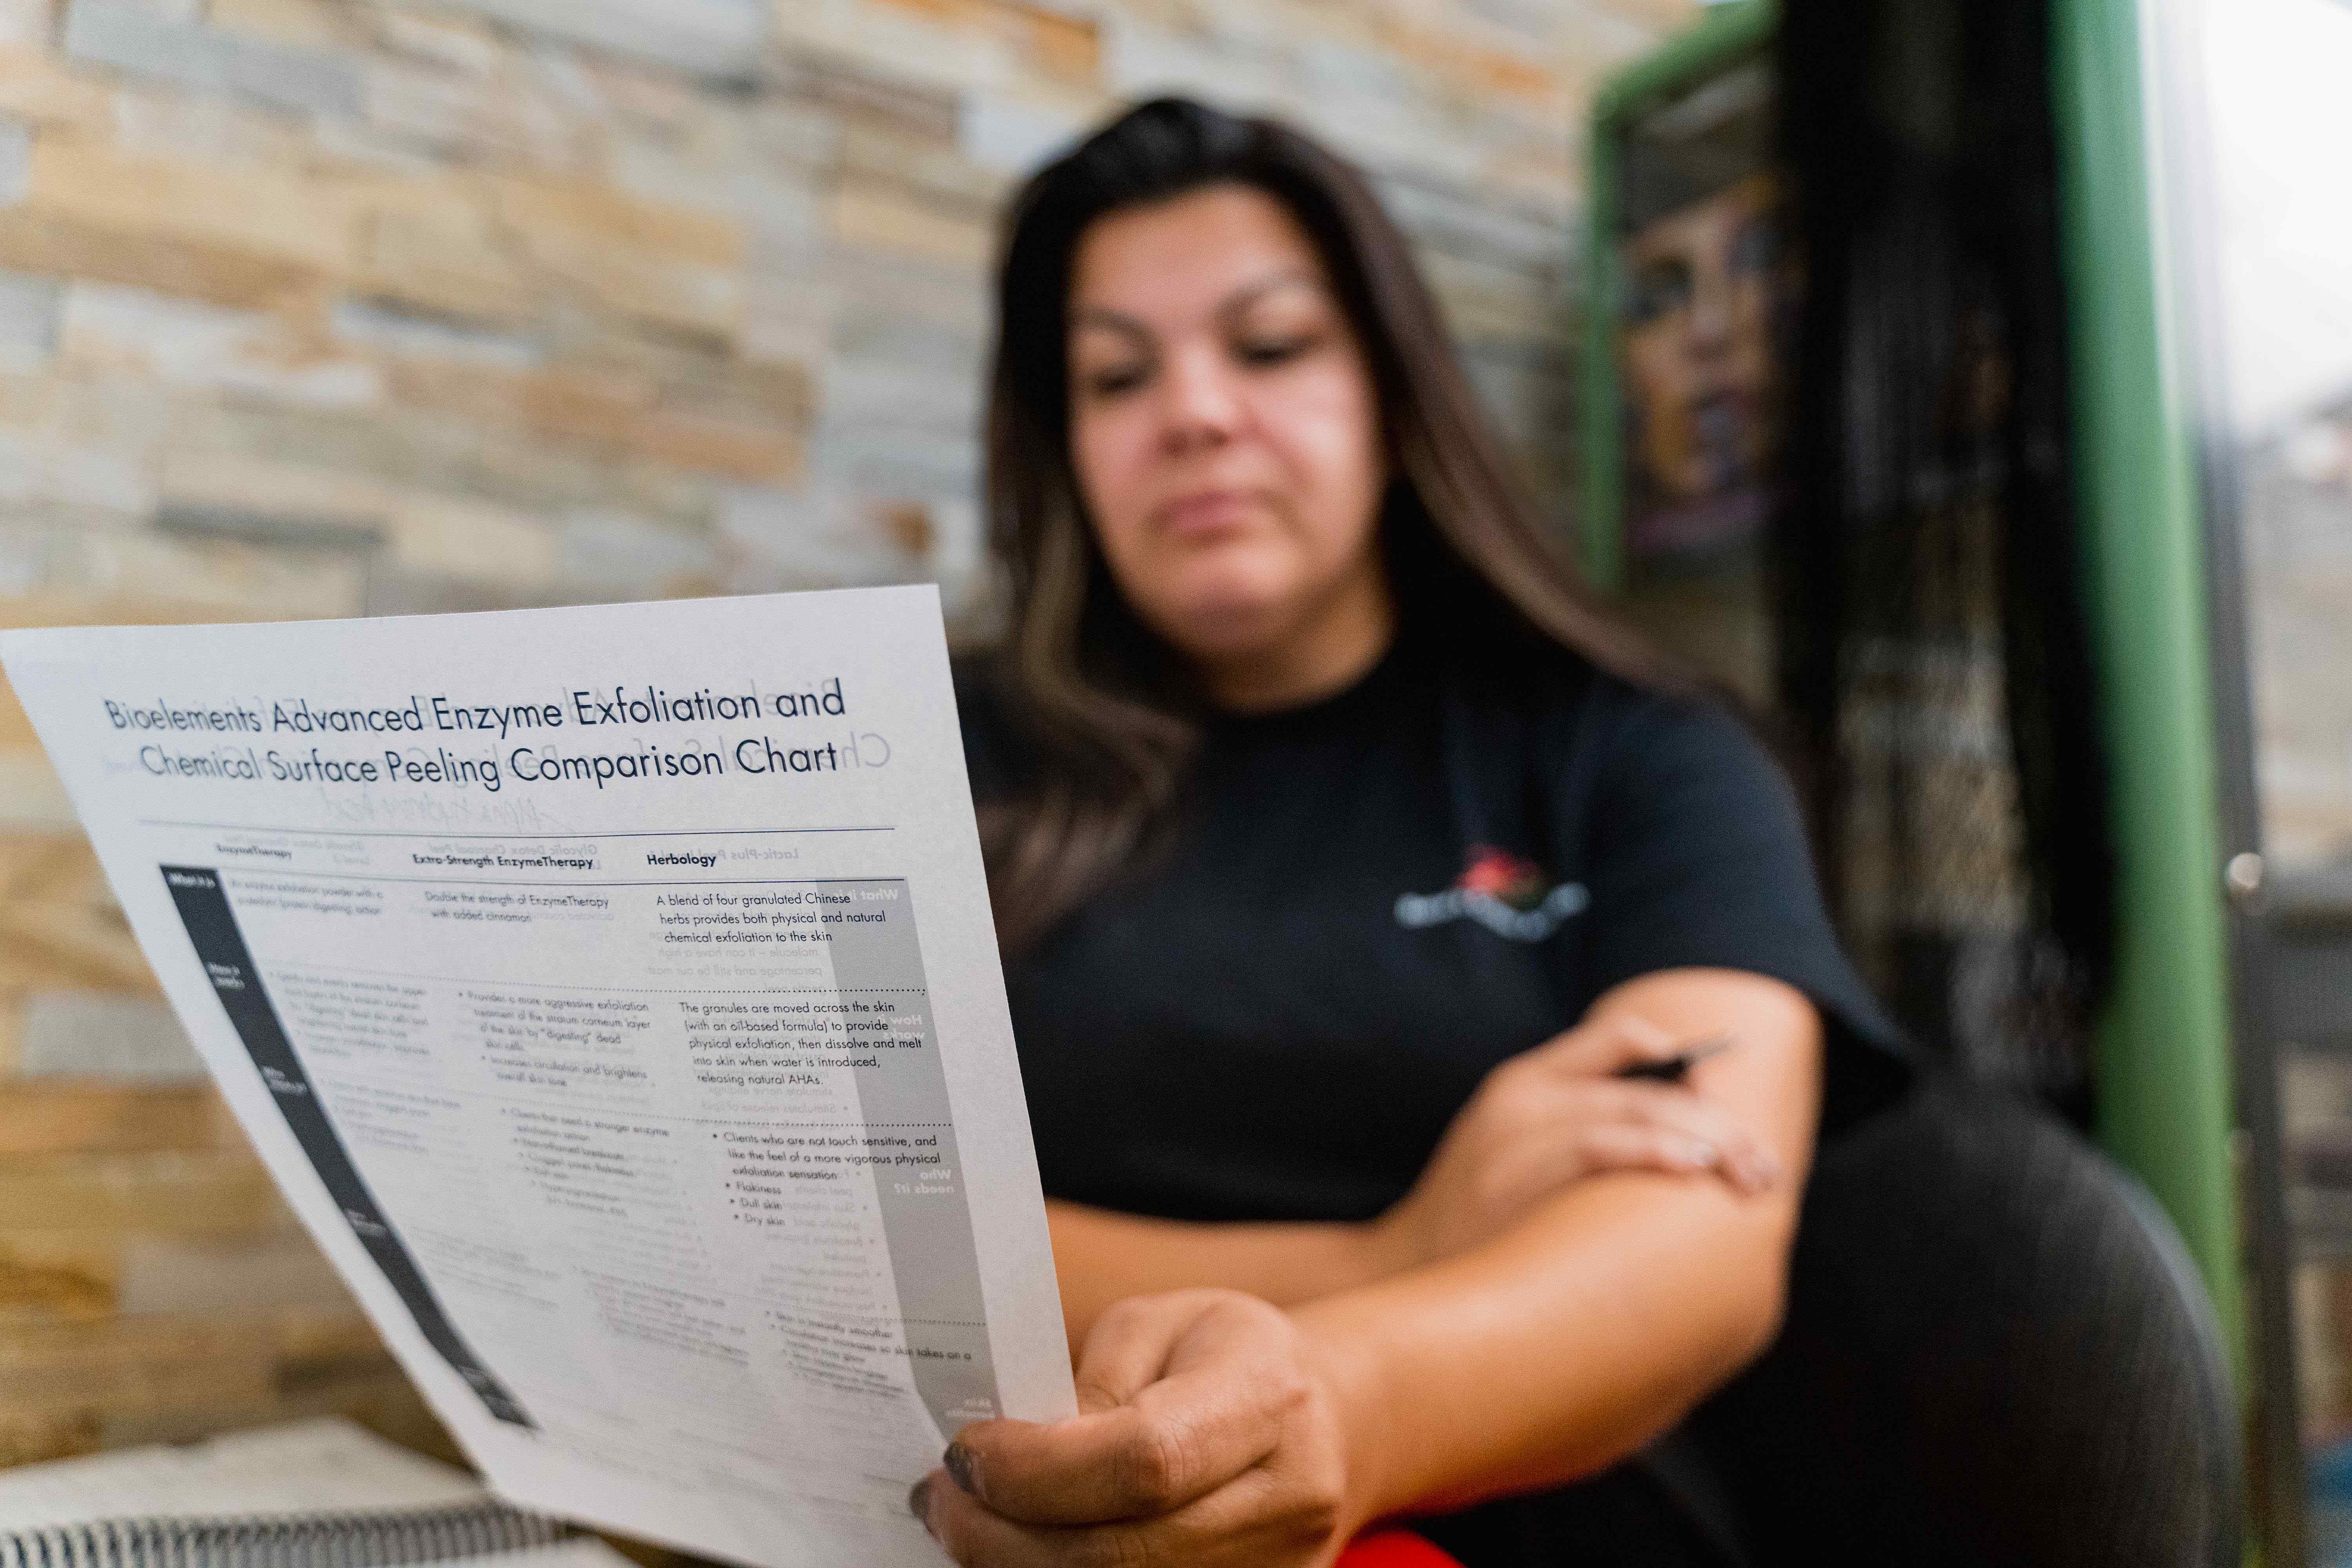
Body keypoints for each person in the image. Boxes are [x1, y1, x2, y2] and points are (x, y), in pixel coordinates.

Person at [920, 98, 1908, 1567]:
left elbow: (1695, 1233)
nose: (1193, 413)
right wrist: (1385, 1252)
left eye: (1270, 347)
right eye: (1117, 376)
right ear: (1064, 444)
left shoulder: (1638, 753)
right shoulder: (933, 754)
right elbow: (861, 1244)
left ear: (1392, 391)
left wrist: (1332, 1406)